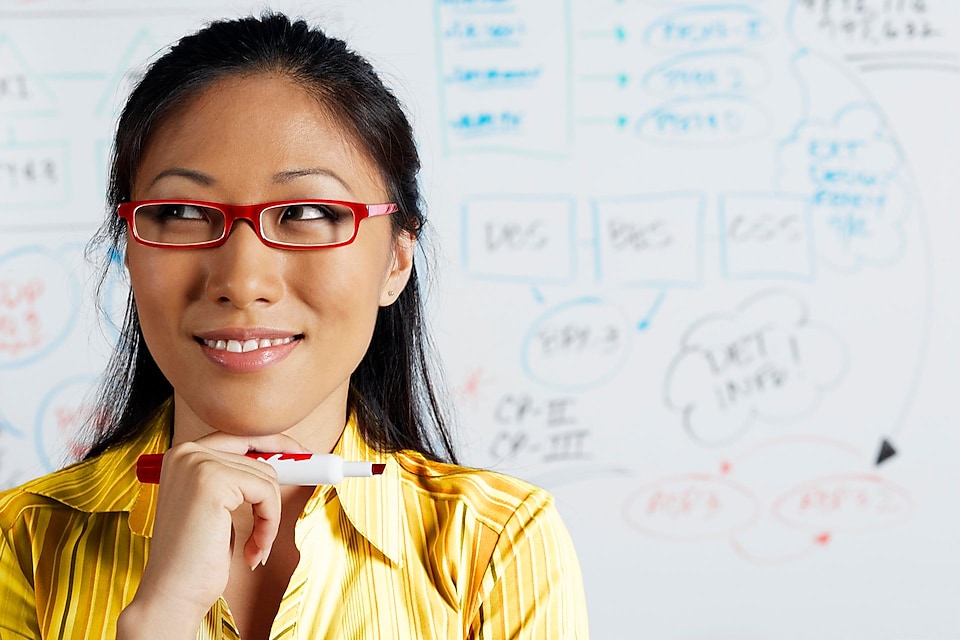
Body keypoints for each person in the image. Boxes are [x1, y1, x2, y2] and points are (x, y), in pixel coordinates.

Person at [0, 12, 588, 639]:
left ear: (396, 259)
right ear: (130, 247)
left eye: (308, 212)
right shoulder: (26, 539)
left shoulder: (496, 545)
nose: (243, 280)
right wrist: (161, 614)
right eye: (181, 213)